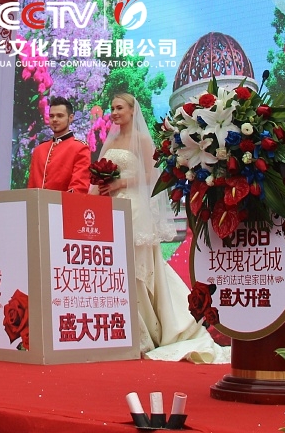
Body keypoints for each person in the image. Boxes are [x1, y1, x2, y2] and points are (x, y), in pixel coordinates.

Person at [96, 93, 228, 363]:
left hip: (133, 207)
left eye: (119, 108)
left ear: (132, 111)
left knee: (137, 266)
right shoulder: (111, 141)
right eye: (112, 108)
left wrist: (121, 183)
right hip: (110, 208)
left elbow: (151, 174)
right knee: (116, 267)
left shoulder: (143, 140)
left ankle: (148, 331)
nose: (114, 112)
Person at [27, 97, 91, 193]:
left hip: (64, 202)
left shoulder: (79, 148)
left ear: (70, 118)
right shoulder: (39, 150)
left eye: (60, 116)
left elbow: (79, 188)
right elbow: (31, 187)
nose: (54, 119)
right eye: (51, 116)